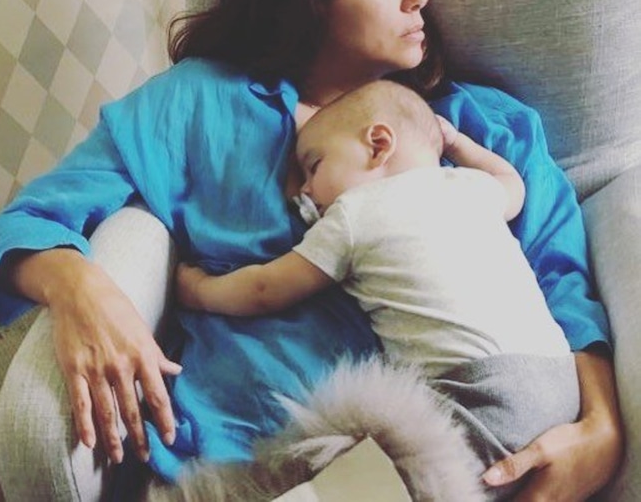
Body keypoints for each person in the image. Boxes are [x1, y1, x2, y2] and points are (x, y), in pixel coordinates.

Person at [0, 0, 622, 499]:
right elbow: (25, 222)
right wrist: (81, 289)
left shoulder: (479, 127)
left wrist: (602, 425)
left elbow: (563, 278)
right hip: (248, 460)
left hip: (441, 457)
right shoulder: (197, 105)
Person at [175, 79, 581, 497]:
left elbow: (266, 288)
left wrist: (200, 290)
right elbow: (512, 182)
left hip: (480, 392)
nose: (306, 190)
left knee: (388, 478)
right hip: (561, 381)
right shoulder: (470, 185)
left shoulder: (355, 213)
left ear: (378, 145)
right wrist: (457, 143)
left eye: (314, 165)